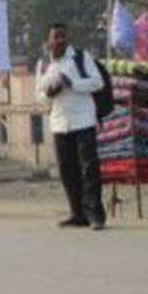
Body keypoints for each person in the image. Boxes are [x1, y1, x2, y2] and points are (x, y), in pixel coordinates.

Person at [36, 22, 106, 230]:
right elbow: (39, 95)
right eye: (55, 37)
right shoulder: (44, 64)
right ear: (48, 41)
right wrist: (49, 93)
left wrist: (72, 83)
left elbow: (98, 82)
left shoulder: (80, 57)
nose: (60, 40)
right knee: (67, 170)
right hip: (59, 123)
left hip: (83, 120)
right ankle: (77, 213)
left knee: (88, 169)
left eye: (63, 36)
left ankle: (95, 215)